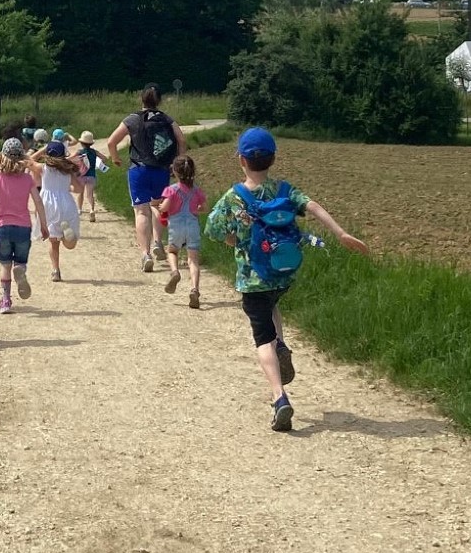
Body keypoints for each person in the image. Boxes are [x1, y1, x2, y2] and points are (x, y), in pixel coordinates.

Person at [206, 128, 369, 432]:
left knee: (261, 340)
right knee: (272, 303)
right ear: (273, 159)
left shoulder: (233, 197)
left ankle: (279, 397)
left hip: (253, 279)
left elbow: (214, 230)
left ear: (241, 160)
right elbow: (313, 206)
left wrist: (236, 241)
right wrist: (340, 233)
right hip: (283, 276)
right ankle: (281, 342)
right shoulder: (284, 190)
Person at [107, 84, 186, 274]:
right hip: (161, 170)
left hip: (139, 169)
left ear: (141, 99)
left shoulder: (132, 119)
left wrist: (116, 158)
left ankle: (146, 254)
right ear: (159, 100)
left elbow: (111, 142)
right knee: (157, 205)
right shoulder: (167, 119)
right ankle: (158, 242)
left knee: (141, 212)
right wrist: (178, 162)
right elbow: (182, 140)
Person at [0, 138, 49, 314]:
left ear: (2, 157)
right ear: (22, 157)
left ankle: (5, 300)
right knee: (20, 261)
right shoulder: (27, 179)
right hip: (23, 227)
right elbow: (38, 201)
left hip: (3, 227)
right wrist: (44, 225)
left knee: (5, 265)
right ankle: (20, 271)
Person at [152, 155, 207, 307]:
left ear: (175, 172)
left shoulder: (171, 190)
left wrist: (160, 207)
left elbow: (165, 207)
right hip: (193, 225)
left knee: (172, 251)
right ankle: (195, 289)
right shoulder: (197, 191)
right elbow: (205, 208)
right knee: (193, 260)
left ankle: (175, 272)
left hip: (176, 226)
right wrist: (196, 209)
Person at [31, 140, 81, 282]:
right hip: (66, 203)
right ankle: (67, 238)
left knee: (53, 242)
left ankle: (56, 271)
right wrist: (67, 188)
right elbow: (79, 189)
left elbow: (30, 159)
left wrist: (43, 148)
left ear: (47, 154)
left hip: (49, 205)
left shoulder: (43, 168)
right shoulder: (68, 171)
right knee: (70, 245)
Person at [74, 130, 104, 222]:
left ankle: (79, 210)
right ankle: (91, 209)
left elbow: (70, 158)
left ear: (81, 142)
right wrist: (99, 164)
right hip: (91, 175)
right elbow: (104, 158)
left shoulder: (79, 152)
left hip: (81, 175)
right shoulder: (94, 152)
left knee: (80, 193)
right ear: (91, 143)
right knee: (90, 194)